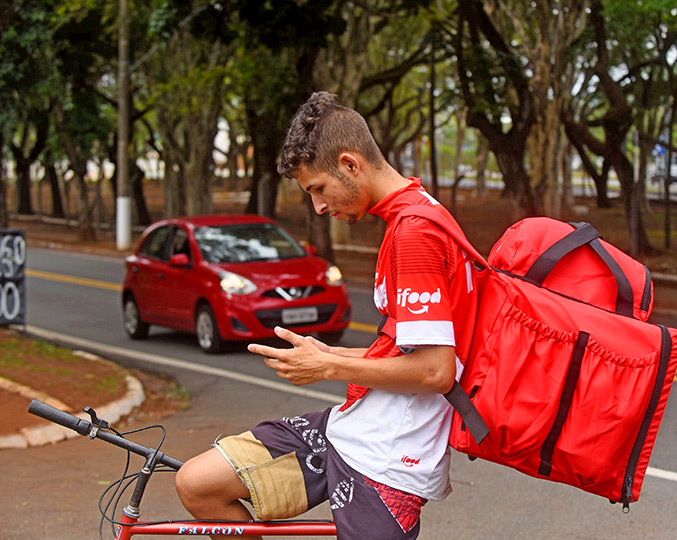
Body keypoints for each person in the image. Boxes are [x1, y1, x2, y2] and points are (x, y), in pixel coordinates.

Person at [174, 91, 478, 540]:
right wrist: (332, 352)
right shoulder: (410, 218)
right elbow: (406, 348)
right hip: (350, 428)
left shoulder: (416, 233)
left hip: (387, 461)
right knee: (198, 483)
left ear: (351, 165)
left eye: (318, 189)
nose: (318, 206)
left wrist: (329, 366)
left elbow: (436, 370)